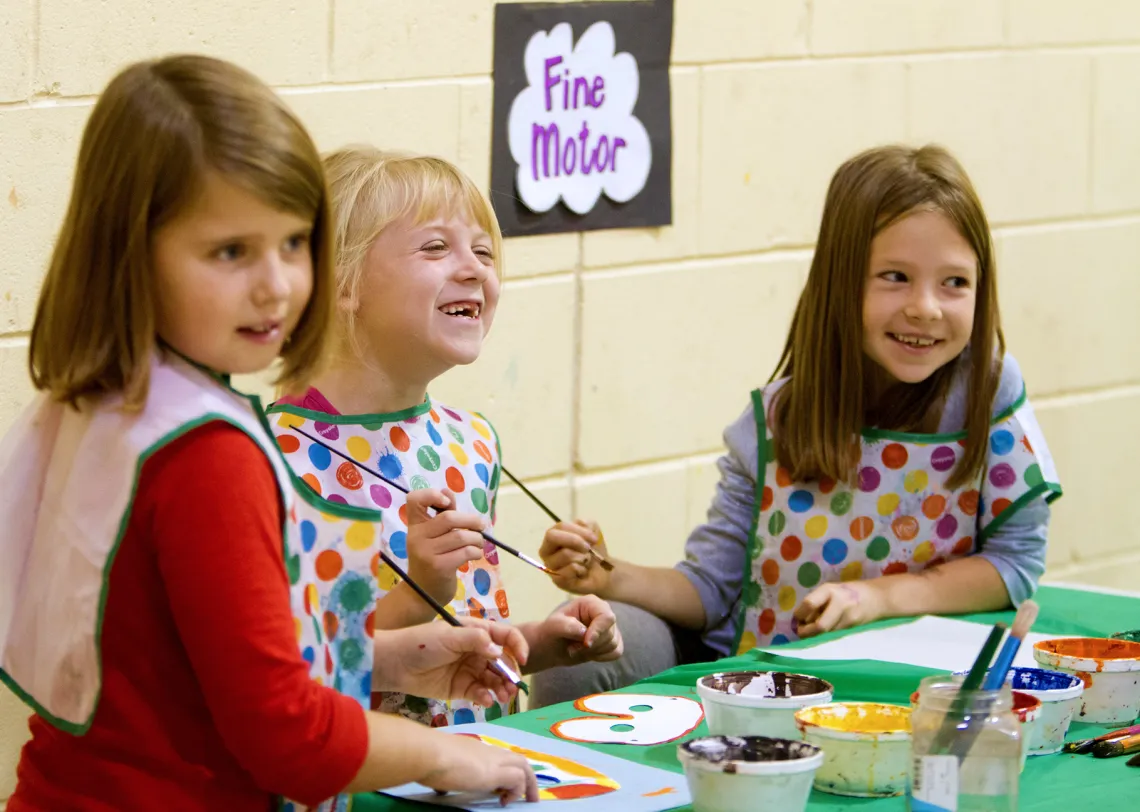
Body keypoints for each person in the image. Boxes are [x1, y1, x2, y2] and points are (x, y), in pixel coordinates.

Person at [0, 55, 537, 811]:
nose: (276, 285)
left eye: (293, 244)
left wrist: (391, 661)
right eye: (230, 252)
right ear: (131, 249)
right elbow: (286, 733)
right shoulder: (206, 453)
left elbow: (193, 671)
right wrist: (449, 756)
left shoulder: (88, 403)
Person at [533, 144, 1060, 706]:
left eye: (954, 282)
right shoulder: (773, 421)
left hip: (920, 693)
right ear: (841, 281)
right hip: (764, 695)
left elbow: (1014, 564)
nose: (926, 307)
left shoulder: (992, 394)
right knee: (578, 630)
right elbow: (709, 591)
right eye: (895, 276)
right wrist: (607, 577)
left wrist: (876, 598)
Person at [269, 146, 623, 727]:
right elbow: (297, 665)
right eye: (436, 247)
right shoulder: (274, 457)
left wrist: (540, 643)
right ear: (341, 283)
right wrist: (418, 590)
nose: (475, 268)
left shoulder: (471, 443)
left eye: (484, 251)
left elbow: (465, 632)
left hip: (479, 768)